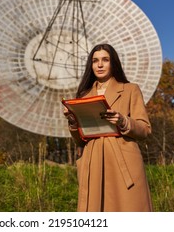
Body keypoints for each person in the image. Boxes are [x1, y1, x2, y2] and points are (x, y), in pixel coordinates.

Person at [63, 43, 153, 212]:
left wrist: (123, 121)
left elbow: (145, 129)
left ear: (114, 63)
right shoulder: (83, 96)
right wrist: (74, 122)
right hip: (93, 160)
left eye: (105, 59)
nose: (100, 64)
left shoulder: (130, 90)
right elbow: (80, 141)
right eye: (95, 60)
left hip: (123, 160)